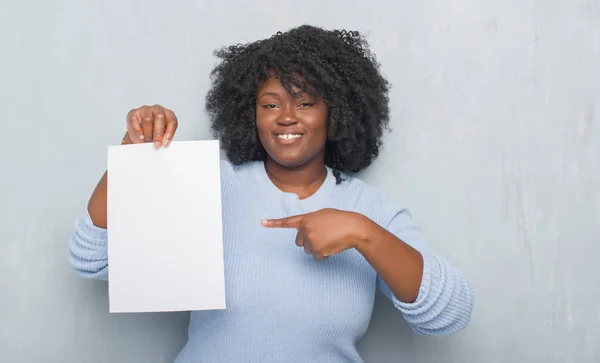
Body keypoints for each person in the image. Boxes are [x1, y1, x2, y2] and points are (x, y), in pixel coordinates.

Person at [69, 25, 474, 362]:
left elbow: (449, 314)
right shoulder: (211, 183)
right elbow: (91, 259)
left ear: (337, 112)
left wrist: (361, 232)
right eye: (269, 104)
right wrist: (133, 158)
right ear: (251, 113)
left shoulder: (369, 210)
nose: (285, 117)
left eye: (305, 102)